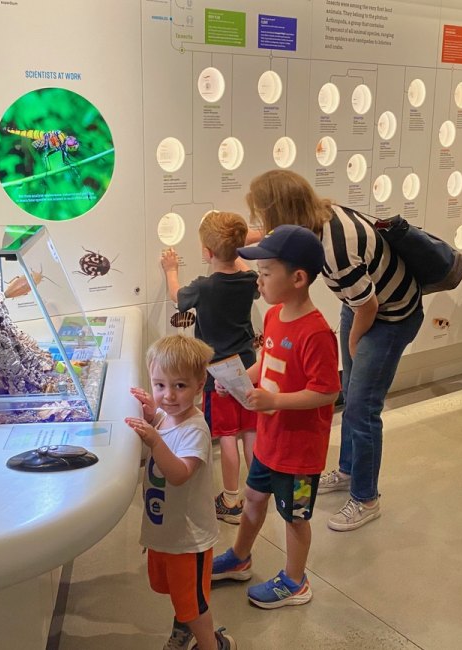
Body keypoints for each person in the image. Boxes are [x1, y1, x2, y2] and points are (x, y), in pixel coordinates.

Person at [243, 169, 423, 533]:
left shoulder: (333, 250)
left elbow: (368, 306)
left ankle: (365, 497)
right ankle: (346, 470)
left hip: (388, 314)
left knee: (361, 405)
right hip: (359, 301)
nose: (261, 224)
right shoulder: (319, 218)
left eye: (264, 216)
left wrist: (356, 341)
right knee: (356, 397)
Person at [209, 225, 341, 608]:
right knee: (252, 497)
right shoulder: (274, 317)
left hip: (298, 453)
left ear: (298, 278)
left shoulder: (316, 333)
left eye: (266, 273)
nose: (258, 280)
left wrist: (275, 402)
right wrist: (238, 382)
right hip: (269, 440)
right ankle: (240, 557)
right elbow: (267, 363)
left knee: (294, 516)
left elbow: (328, 391)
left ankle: (296, 582)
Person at [126, 336, 235, 650]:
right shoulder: (167, 417)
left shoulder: (195, 430)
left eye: (179, 386)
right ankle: (184, 629)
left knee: (194, 603)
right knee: (178, 593)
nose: (168, 396)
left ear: (200, 385)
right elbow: (163, 420)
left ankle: (210, 645)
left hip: (189, 541)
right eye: (160, 385)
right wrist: (151, 413)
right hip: (167, 532)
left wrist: (154, 442)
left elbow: (178, 475)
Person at [161, 211, 260, 525]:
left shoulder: (204, 287)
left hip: (217, 373)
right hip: (248, 366)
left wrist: (171, 269)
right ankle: (257, 492)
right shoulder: (249, 279)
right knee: (249, 430)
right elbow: (246, 272)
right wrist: (238, 253)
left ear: (206, 252)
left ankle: (230, 500)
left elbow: (177, 298)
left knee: (227, 435)